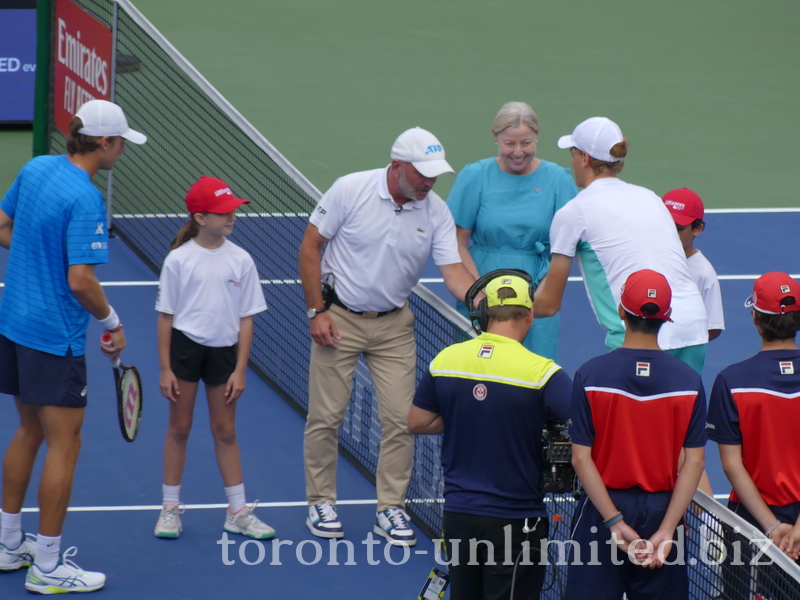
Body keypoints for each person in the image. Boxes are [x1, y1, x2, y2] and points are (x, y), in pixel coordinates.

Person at [298, 127, 475, 546]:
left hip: (395, 326)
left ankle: (390, 508)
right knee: (326, 416)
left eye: (435, 175)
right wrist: (316, 311)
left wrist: (488, 302)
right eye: (422, 174)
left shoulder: (435, 211)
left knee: (402, 419)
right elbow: (310, 247)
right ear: (397, 166)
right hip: (338, 318)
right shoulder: (350, 190)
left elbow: (453, 273)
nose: (429, 182)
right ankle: (320, 500)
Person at [0, 100, 145, 594]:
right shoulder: (85, 201)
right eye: (122, 141)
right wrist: (113, 321)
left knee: (27, 429)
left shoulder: (37, 167)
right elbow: (81, 281)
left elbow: (2, 226)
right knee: (66, 443)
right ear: (104, 144)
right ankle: (47, 565)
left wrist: (33, 255)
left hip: (14, 323)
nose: (123, 148)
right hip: (54, 339)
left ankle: (8, 542)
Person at [408, 271, 572, 600]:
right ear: (528, 316)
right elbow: (586, 427)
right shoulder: (543, 373)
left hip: (458, 516)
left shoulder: (446, 360)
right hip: (516, 522)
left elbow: (417, 422)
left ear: (485, 314)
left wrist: (468, 414)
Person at [566, 269, 707, 600]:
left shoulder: (590, 375)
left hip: (601, 509)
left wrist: (614, 521)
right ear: (666, 318)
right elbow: (695, 462)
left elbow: (580, 458)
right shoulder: (689, 381)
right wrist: (668, 529)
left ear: (621, 311)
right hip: (663, 510)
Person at [534, 117, 709, 374]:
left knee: (633, 414)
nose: (571, 162)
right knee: (680, 411)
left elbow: (547, 304)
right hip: (692, 328)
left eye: (572, 154)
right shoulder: (650, 198)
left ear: (584, 158)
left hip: (641, 335)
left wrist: (499, 311)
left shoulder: (575, 212)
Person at [154, 176, 274, 541]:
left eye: (233, 210)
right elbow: (166, 317)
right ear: (200, 217)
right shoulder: (178, 260)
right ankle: (170, 508)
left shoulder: (241, 260)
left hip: (224, 354)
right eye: (223, 212)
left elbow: (246, 318)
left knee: (226, 431)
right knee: (180, 428)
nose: (231, 217)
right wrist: (165, 368)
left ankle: (237, 511)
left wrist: (240, 368)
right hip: (185, 349)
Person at [447, 101, 578, 360]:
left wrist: (541, 298)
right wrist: (479, 295)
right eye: (510, 143)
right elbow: (457, 242)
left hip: (535, 300)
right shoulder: (474, 176)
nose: (518, 152)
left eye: (526, 143)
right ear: (495, 137)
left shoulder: (558, 179)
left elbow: (568, 246)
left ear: (537, 136)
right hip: (481, 292)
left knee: (533, 381)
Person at [706, 272, 800, 599]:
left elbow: (732, 465)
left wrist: (772, 528)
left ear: (755, 318)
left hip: (748, 522)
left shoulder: (731, 381)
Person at [662, 187, 724, 343]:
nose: (669, 232)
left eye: (678, 229)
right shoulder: (645, 257)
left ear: (697, 229)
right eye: (665, 223)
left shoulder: (704, 273)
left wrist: (680, 344)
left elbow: (713, 327)